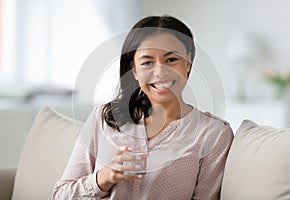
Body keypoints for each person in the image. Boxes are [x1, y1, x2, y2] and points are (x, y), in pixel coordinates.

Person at [53, 15, 233, 200]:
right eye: (147, 62)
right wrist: (105, 177)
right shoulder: (104, 118)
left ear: (188, 63)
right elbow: (61, 195)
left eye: (171, 59)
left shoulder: (214, 134)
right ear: (135, 70)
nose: (160, 72)